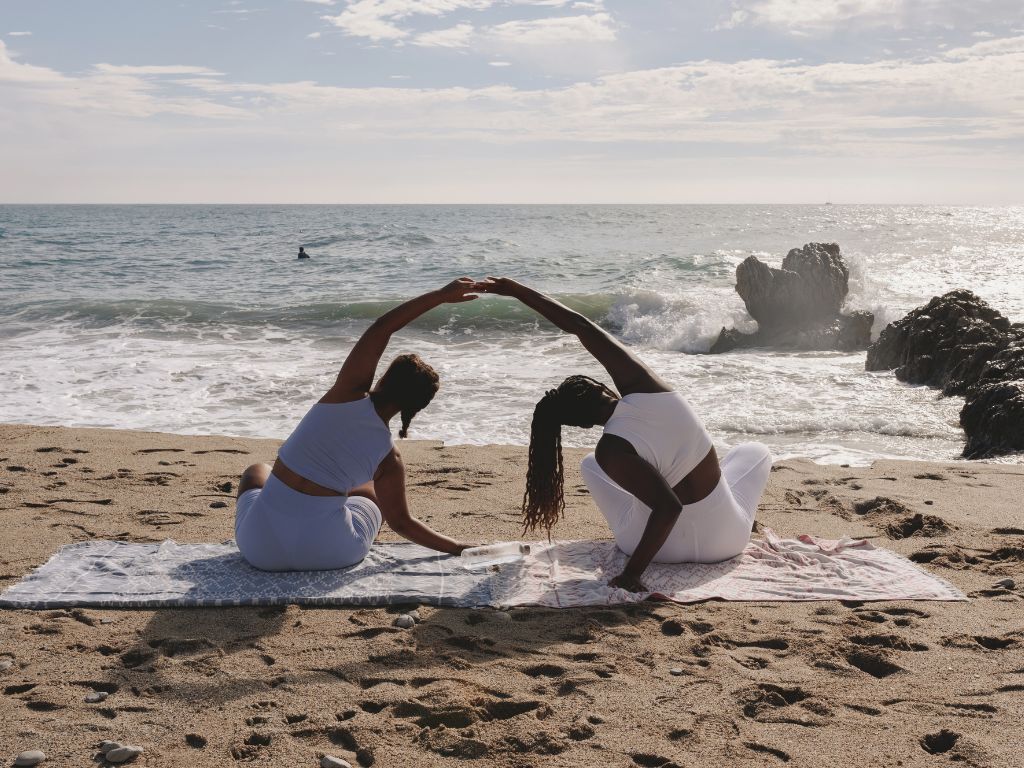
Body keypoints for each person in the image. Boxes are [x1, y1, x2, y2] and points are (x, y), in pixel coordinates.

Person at [479, 277, 772, 592]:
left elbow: (667, 506)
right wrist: (518, 290)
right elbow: (581, 326)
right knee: (754, 452)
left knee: (590, 464)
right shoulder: (650, 388)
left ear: (582, 425)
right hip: (725, 542)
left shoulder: (610, 451)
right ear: (603, 386)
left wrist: (634, 572)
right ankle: (735, 509)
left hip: (657, 552)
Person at [234, 278, 480, 571]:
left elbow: (382, 327)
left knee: (257, 471)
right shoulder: (390, 459)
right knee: (368, 489)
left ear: (385, 377)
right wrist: (459, 548)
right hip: (330, 554)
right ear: (415, 407)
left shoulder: (345, 393)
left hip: (260, 550)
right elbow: (402, 523)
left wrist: (440, 295)